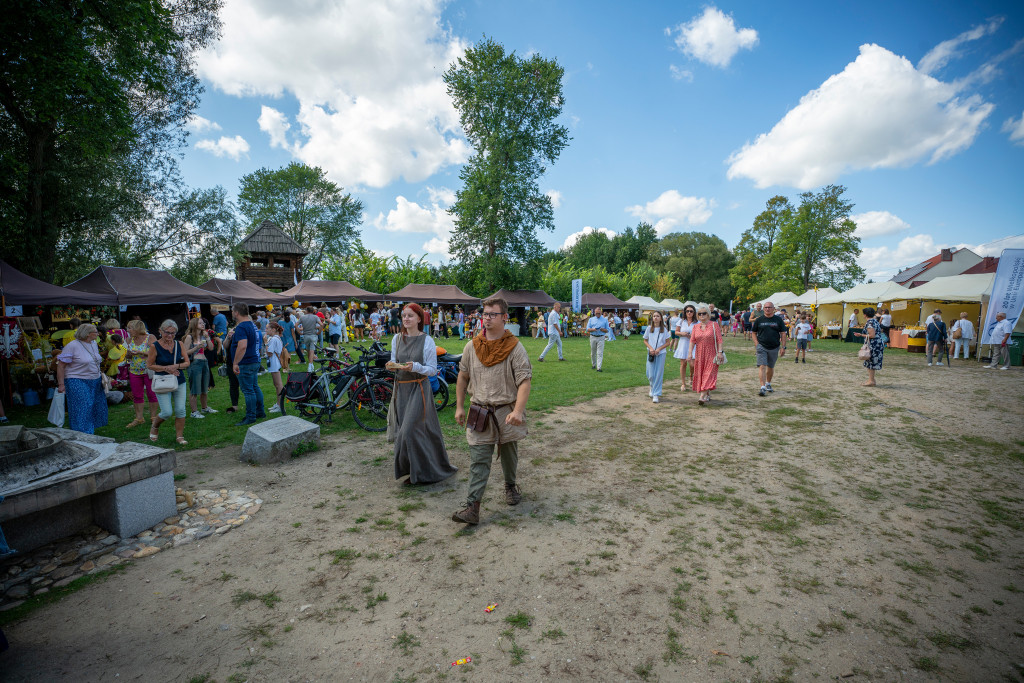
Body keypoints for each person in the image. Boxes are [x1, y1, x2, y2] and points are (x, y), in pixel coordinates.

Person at [452, 297, 532, 525]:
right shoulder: (472, 346)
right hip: (479, 411)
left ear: (504, 317)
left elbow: (524, 381)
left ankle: (510, 486)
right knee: (479, 459)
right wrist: (459, 406)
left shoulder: (515, 347)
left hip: (506, 411)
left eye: (492, 314)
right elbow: (463, 377)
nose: (487, 318)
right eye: (484, 314)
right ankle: (472, 507)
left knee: (509, 455)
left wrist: (517, 411)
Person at [387, 303, 458, 485]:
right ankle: (413, 471)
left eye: (410, 316)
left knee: (409, 431)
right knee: (407, 430)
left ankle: (425, 471)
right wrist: (391, 365)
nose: (406, 319)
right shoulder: (396, 338)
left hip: (419, 389)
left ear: (419, 318)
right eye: (404, 316)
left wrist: (416, 367)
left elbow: (433, 370)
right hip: (401, 389)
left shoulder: (427, 340)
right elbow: (394, 360)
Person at [56, 324, 108, 435]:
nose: (98, 334)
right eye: (95, 332)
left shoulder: (93, 344)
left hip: (95, 379)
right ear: (87, 334)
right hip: (76, 379)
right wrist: (61, 384)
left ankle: (89, 429)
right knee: (82, 406)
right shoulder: (72, 346)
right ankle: (83, 433)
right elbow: (61, 366)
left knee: (95, 405)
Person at [147, 319, 189, 445]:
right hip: (162, 381)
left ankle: (179, 436)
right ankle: (155, 426)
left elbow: (187, 362)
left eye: (173, 333)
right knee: (166, 412)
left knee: (181, 410)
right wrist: (166, 368)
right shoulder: (155, 346)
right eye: (167, 332)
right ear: (160, 331)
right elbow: (149, 365)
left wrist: (175, 366)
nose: (170, 336)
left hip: (179, 380)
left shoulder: (179, 344)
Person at [230, 302, 266, 426]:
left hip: (246, 362)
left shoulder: (241, 327)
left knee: (248, 390)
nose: (232, 313)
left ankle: (251, 416)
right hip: (255, 360)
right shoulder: (252, 325)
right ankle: (260, 411)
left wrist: (235, 363)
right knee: (254, 387)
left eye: (232, 311)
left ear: (236, 312)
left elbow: (242, 346)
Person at [124, 320, 158, 428]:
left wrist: (140, 352)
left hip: (149, 370)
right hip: (134, 370)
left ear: (138, 328)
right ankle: (139, 418)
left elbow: (156, 352)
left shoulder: (150, 337)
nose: (128, 330)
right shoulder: (129, 339)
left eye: (130, 328)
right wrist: (128, 355)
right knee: (137, 395)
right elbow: (127, 356)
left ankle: (153, 417)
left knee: (151, 394)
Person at [751, 301, 787, 397]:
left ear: (773, 309)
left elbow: (783, 333)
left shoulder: (778, 320)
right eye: (766, 307)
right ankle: (762, 387)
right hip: (762, 346)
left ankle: (768, 383)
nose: (767, 309)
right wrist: (756, 344)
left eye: (769, 307)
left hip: (774, 346)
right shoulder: (759, 320)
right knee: (762, 366)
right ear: (763, 309)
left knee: (770, 366)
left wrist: (783, 347)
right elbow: (753, 332)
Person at [691, 305, 725, 405]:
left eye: (704, 313)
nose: (702, 315)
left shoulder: (714, 325)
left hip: (712, 353)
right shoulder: (695, 327)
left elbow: (719, 340)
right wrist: (689, 353)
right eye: (699, 314)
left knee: (708, 373)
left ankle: (702, 396)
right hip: (699, 353)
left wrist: (720, 352)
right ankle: (707, 393)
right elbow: (692, 341)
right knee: (701, 374)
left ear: (708, 314)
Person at [183, 317, 216, 419]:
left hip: (204, 362)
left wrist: (207, 338)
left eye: (203, 323)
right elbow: (184, 352)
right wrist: (196, 347)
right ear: (194, 325)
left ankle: (204, 408)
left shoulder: (203, 336)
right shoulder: (189, 337)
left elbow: (211, 348)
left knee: (204, 387)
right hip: (195, 363)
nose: (203, 325)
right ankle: (194, 411)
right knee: (195, 388)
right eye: (201, 323)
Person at [643, 311, 671, 403]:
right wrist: (651, 348)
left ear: (661, 318)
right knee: (650, 374)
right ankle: (652, 386)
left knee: (658, 373)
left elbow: (668, 342)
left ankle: (656, 394)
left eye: (657, 316)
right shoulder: (649, 328)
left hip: (661, 353)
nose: (655, 318)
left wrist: (659, 349)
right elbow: (645, 340)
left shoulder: (664, 329)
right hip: (651, 353)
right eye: (654, 316)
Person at [673, 305, 697, 391]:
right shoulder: (681, 321)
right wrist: (682, 333)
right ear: (685, 312)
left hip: (693, 345)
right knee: (683, 364)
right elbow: (676, 332)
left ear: (694, 312)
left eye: (691, 311)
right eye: (687, 311)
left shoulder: (697, 323)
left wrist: (692, 336)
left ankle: (691, 376)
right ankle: (683, 383)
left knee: (692, 364)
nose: (689, 313)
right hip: (683, 344)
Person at [859, 306, 884, 386]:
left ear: (865, 315)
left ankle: (871, 381)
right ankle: (871, 380)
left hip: (874, 344)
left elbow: (872, 335)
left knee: (870, 362)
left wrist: (861, 335)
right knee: (871, 362)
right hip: (878, 344)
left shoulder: (870, 323)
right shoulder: (875, 321)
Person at [265, 321, 286, 412]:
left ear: (273, 329)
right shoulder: (274, 338)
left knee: (278, 385)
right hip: (274, 363)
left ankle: (281, 406)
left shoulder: (273, 339)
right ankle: (278, 404)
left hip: (274, 363)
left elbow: (269, 352)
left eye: (267, 328)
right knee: (276, 385)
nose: (265, 330)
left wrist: (265, 343)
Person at [586, 306, 610, 371]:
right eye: (596, 313)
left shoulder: (605, 320)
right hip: (593, 337)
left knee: (600, 353)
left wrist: (603, 329)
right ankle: (594, 364)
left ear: (601, 312)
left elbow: (607, 330)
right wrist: (593, 329)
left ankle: (599, 367)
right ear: (594, 313)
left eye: (599, 313)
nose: (597, 314)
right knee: (593, 353)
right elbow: (587, 329)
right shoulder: (591, 319)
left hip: (601, 337)